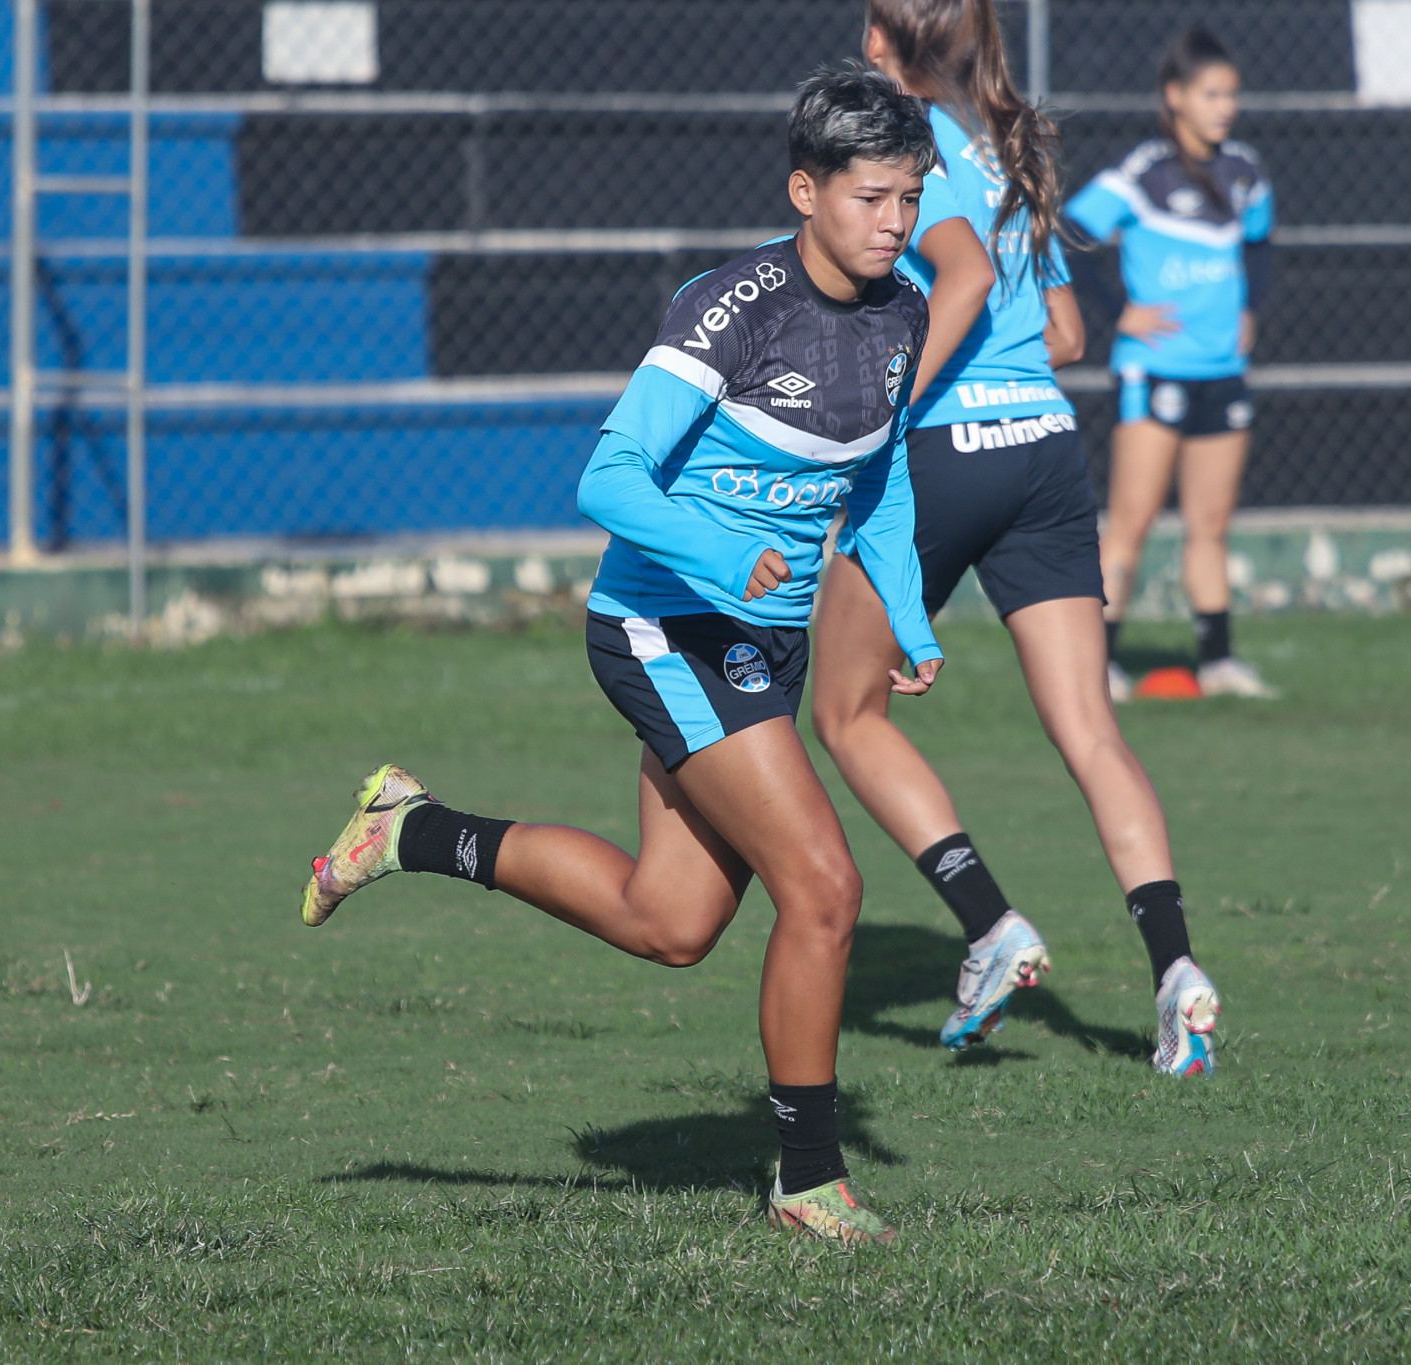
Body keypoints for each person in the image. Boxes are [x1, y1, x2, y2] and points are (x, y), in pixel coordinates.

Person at [295, 66, 942, 1247]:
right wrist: (714, 555)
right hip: (665, 631)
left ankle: (410, 830)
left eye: (908, 197)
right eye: (869, 198)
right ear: (805, 191)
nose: (893, 223)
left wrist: (905, 609)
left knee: (670, 922)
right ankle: (807, 1181)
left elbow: (882, 478)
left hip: (764, 648)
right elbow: (604, 476)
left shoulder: (907, 306)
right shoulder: (730, 307)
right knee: (826, 890)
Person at [812, 0, 1222, 1079]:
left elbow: (970, 278)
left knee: (845, 712)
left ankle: (988, 923)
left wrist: (887, 406)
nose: (860, 44)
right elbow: (1067, 331)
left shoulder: (900, 138)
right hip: (1044, 445)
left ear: (890, 41)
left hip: (946, 450)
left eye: (871, 26)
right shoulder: (1003, 139)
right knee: (1089, 730)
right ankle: (1176, 972)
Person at [1064, 27, 1276, 703]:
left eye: (1231, 95)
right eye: (1211, 94)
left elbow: (1262, 245)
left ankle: (1218, 659)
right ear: (1174, 97)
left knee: (1210, 525)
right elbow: (1066, 234)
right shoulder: (1142, 172)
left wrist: (1253, 309)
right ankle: (1098, 663)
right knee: (1130, 522)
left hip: (1223, 371)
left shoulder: (1245, 169)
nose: (1224, 107)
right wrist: (1117, 307)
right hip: (1154, 372)